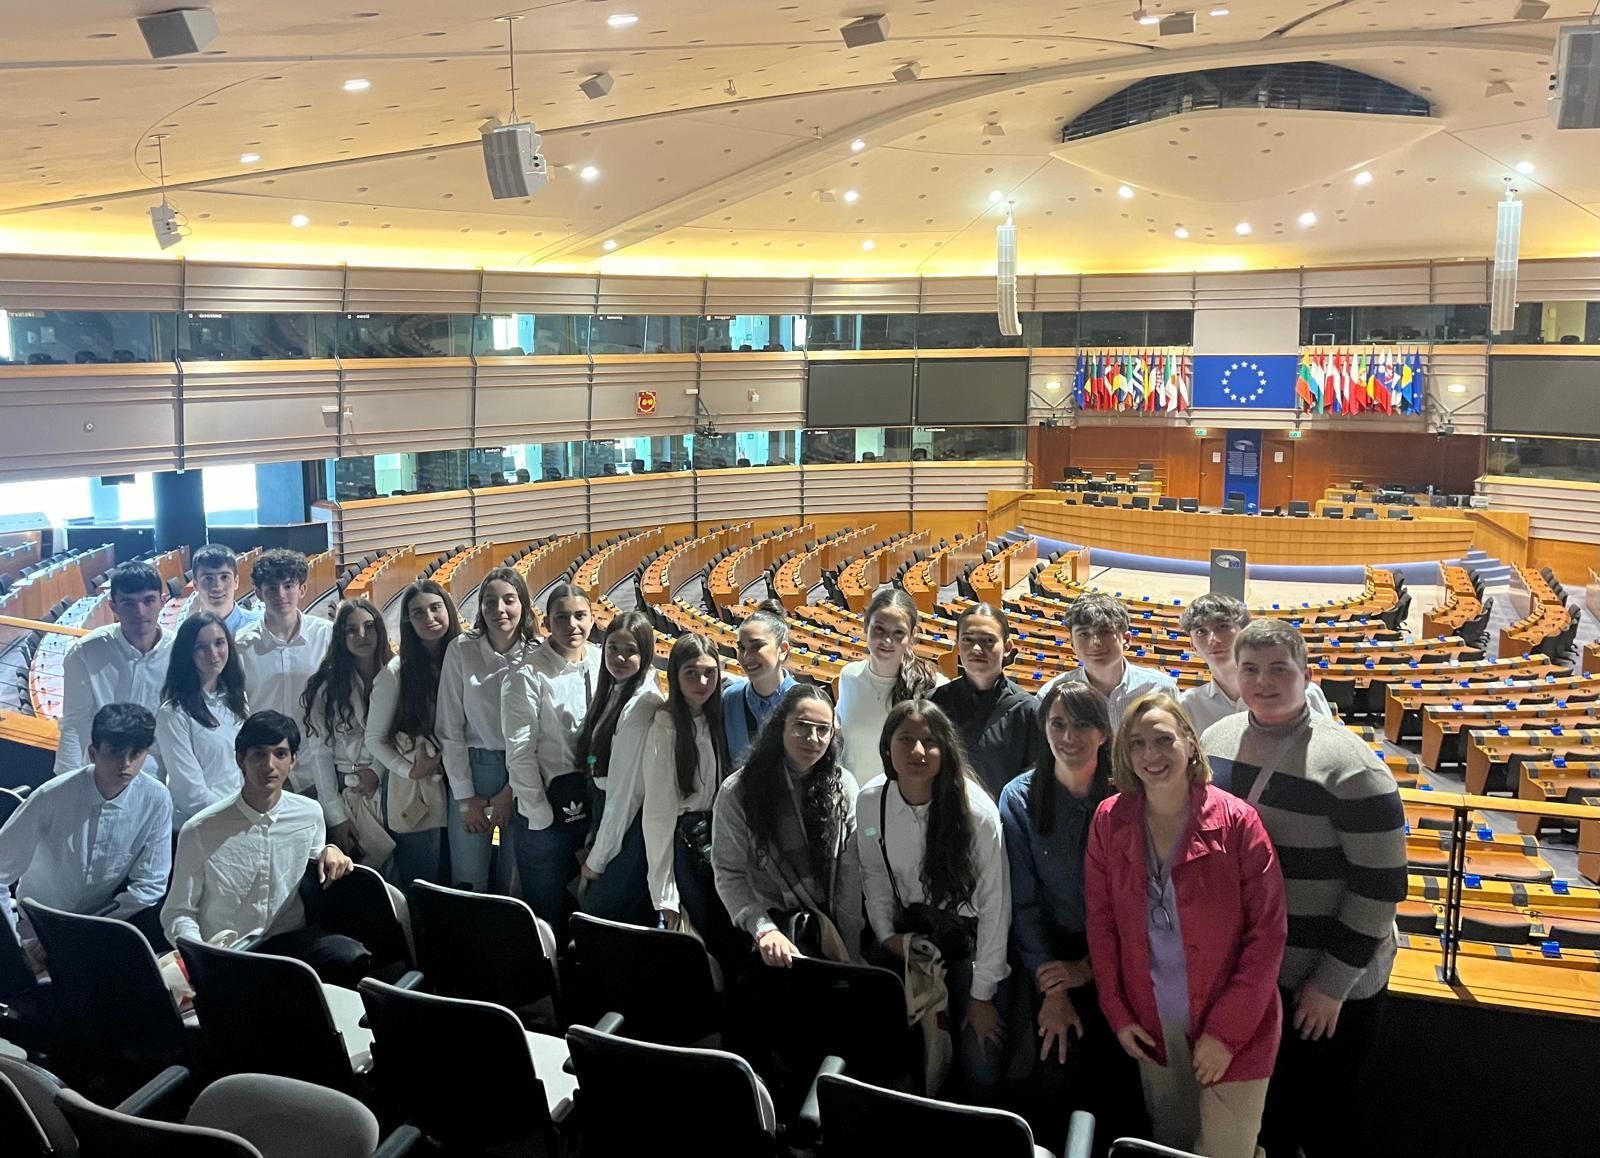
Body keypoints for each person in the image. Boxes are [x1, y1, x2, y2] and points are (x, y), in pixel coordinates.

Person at [1199, 619, 1407, 1158]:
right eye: (1250, 669)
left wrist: (1332, 984)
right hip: (1250, 977)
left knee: (1322, 1117)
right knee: (1265, 1119)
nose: (1263, 681)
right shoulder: (1214, 742)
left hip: (1319, 987)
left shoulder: (1351, 766)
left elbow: (1381, 889)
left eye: (1278, 669)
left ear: (1306, 673)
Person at [1085, 693, 1287, 1158]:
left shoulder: (1238, 822)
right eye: (1137, 744)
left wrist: (1226, 1033)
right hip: (1153, 1021)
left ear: (1190, 744)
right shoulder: (1108, 820)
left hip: (1237, 1026)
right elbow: (1101, 922)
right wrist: (1116, 1011)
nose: (1151, 755)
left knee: (1227, 1151)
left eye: (1163, 740)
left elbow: (1268, 933)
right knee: (1170, 1147)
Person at [999, 681, 1142, 1148]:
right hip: (1053, 953)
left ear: (1104, 732)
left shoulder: (1130, 797)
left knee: (1121, 1085)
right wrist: (1054, 988)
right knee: (1053, 1074)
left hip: (1124, 957)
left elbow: (1139, 902)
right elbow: (1025, 903)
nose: (1068, 735)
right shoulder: (1019, 798)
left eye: (1082, 724)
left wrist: (1093, 970)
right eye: (1057, 723)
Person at [857, 700, 1011, 1102]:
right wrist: (887, 935)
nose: (918, 752)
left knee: (980, 1071)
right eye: (905, 740)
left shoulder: (976, 813)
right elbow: (874, 871)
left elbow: (996, 907)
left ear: (946, 749)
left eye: (929, 741)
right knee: (894, 1056)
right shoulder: (871, 802)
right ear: (887, 748)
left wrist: (981, 996)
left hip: (971, 941)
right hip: (911, 934)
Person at [163, 710, 364, 986]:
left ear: (293, 760)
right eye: (258, 754)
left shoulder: (309, 814)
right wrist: (201, 956)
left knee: (348, 954)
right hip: (228, 951)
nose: (269, 765)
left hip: (287, 942)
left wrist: (331, 848)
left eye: (280, 754)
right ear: (240, 759)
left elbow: (316, 859)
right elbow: (177, 912)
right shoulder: (200, 830)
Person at [712, 685, 864, 967]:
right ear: (779, 727)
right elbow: (728, 874)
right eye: (802, 726)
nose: (813, 738)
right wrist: (764, 929)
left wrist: (848, 951)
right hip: (769, 931)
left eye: (823, 729)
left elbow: (850, 874)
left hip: (834, 928)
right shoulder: (738, 792)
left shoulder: (844, 787)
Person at [1, 703, 172, 952]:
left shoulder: (157, 799)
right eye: (114, 752)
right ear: (93, 753)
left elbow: (150, 885)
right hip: (31, 923)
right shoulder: (52, 795)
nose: (125, 764)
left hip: (98, 927)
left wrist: (75, 934)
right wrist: (14, 943)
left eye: (136, 754)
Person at [503, 583, 601, 929]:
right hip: (546, 811)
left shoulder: (603, 660)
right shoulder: (527, 674)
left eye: (580, 616)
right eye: (562, 617)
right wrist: (541, 817)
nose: (572, 625)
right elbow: (520, 752)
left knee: (591, 906)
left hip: (593, 804)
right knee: (548, 910)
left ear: (593, 618)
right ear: (547, 623)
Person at [435, 566, 539, 892]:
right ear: (480, 607)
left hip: (525, 768)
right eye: (490, 601)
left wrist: (512, 790)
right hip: (473, 769)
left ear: (523, 605)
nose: (499, 610)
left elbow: (542, 728)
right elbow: (449, 728)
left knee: (515, 875)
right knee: (468, 875)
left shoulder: (538, 653)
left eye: (509, 600)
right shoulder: (461, 649)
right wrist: (466, 799)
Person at [641, 633, 739, 964]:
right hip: (688, 844)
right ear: (675, 676)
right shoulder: (666, 727)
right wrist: (664, 895)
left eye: (709, 672)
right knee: (705, 939)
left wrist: (725, 676)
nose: (702, 682)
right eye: (690, 673)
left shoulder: (719, 713)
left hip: (721, 835)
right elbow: (657, 816)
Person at [365, 580, 459, 892]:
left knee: (460, 877)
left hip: (461, 784)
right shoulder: (395, 673)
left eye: (435, 608)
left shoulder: (464, 658)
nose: (429, 617)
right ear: (408, 622)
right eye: (418, 613)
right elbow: (374, 738)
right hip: (418, 789)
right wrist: (410, 769)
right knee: (424, 881)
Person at [578, 610, 663, 925]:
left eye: (631, 650)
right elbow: (596, 757)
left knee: (599, 915)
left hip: (627, 826)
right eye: (613, 647)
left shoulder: (641, 706)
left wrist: (597, 860)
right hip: (606, 812)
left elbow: (625, 795)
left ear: (646, 653)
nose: (619, 657)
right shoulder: (613, 691)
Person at [54, 560, 174, 774]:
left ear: (162, 601)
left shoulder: (179, 651)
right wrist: (67, 780)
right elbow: (75, 722)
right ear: (113, 606)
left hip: (162, 774)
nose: (140, 612)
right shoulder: (85, 652)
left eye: (149, 601)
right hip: (103, 772)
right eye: (128, 603)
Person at [299, 598, 388, 859]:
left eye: (369, 626)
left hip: (391, 784)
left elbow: (399, 738)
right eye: (351, 630)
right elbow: (320, 753)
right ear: (341, 637)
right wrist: (335, 814)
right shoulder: (325, 688)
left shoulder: (397, 676)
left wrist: (376, 771)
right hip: (343, 785)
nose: (362, 635)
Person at [1179, 595, 1331, 735]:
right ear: (1193, 645)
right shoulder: (1189, 705)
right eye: (1201, 632)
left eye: (1222, 627)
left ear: (1245, 632)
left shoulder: (1304, 693)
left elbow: (1332, 749)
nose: (1213, 640)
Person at [929, 603, 1036, 799]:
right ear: (958, 645)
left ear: (1007, 647)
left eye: (988, 640)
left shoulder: (1028, 710)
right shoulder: (933, 703)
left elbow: (1034, 783)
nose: (977, 649)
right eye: (968, 640)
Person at [156, 613, 249, 831]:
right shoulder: (173, 713)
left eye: (219, 643)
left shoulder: (236, 697)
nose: (213, 654)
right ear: (187, 653)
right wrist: (239, 817)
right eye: (200, 647)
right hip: (203, 826)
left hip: (241, 816)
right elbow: (190, 794)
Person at [835, 588, 943, 776]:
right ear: (866, 626)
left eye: (898, 633)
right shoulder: (848, 677)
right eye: (879, 629)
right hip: (855, 801)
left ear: (912, 636)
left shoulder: (933, 687)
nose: (886, 640)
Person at [1045, 593, 1176, 735]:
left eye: (1105, 632)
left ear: (1126, 639)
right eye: (1083, 634)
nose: (1095, 643)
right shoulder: (1050, 696)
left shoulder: (1162, 688)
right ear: (1072, 644)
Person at [234, 549, 333, 726]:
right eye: (272, 588)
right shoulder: (241, 644)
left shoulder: (326, 635)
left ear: (302, 589)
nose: (280, 595)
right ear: (258, 593)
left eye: (288, 586)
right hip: (266, 748)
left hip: (316, 749)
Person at [721, 601, 796, 765]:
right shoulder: (730, 699)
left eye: (756, 647)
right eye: (741, 648)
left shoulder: (806, 701)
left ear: (783, 650)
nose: (746, 657)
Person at [190, 543, 261, 636]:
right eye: (208, 578)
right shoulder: (188, 633)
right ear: (195, 585)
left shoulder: (259, 627)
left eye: (224, 577)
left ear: (236, 581)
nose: (217, 587)